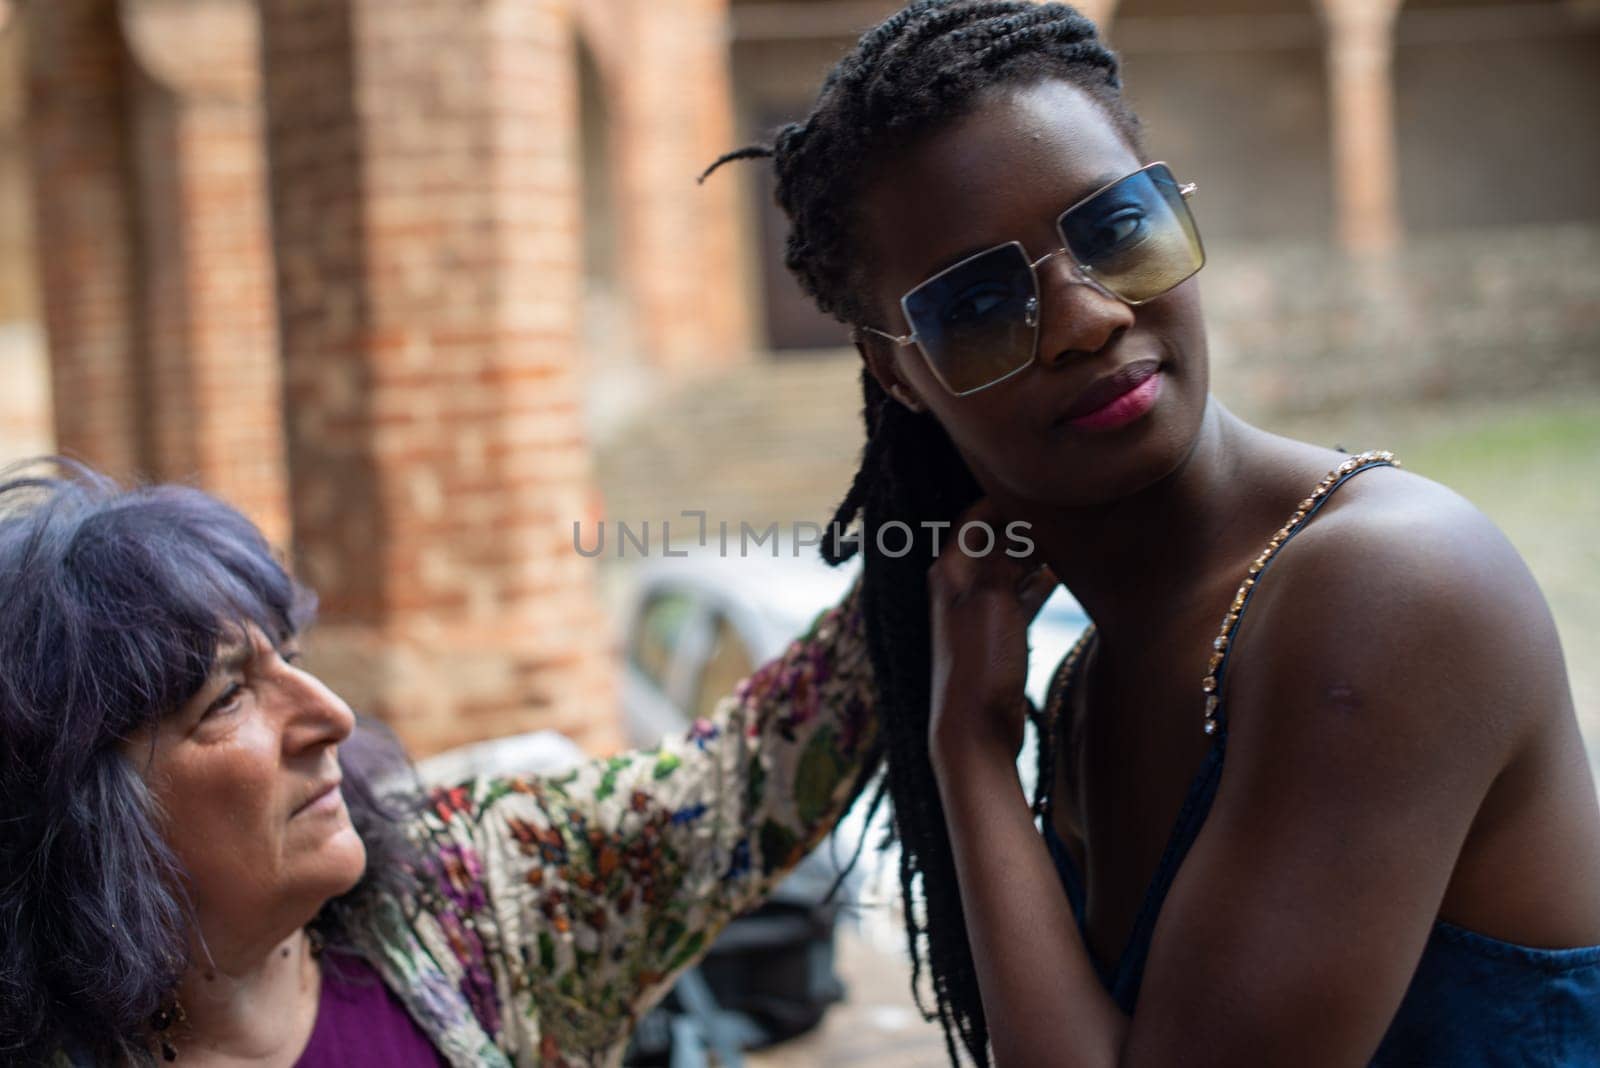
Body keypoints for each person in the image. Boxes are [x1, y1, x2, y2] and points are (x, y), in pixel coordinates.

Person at [702, 1, 1600, 1064]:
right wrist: (967, 741)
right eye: (979, 302)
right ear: (896, 369)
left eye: (1117, 228)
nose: (1087, 319)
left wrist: (974, 762)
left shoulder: (1387, 589)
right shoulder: (1088, 679)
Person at [0, 459, 882, 1066]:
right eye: (227, 699)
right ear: (89, 811)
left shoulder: (478, 895)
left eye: (292, 661)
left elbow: (745, 774)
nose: (332, 717)